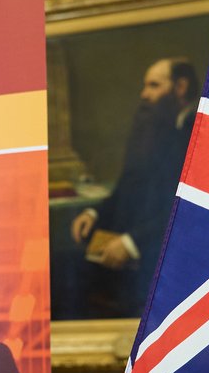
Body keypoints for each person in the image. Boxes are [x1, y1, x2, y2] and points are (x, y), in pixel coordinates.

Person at [69, 56, 200, 317]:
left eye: (154, 85)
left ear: (180, 87)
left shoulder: (200, 130)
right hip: (138, 245)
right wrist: (94, 213)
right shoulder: (155, 127)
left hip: (171, 258)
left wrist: (130, 243)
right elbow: (130, 183)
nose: (144, 94)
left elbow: (187, 207)